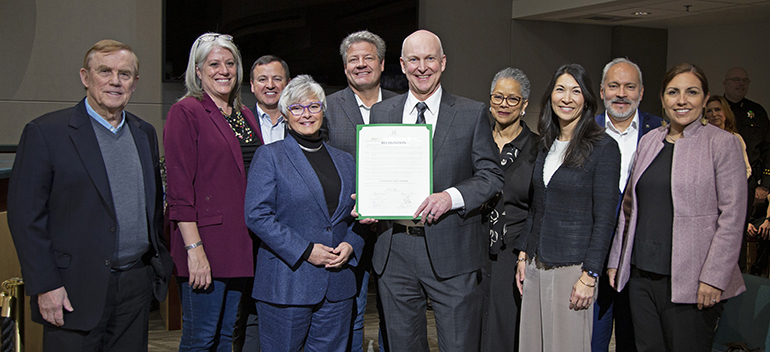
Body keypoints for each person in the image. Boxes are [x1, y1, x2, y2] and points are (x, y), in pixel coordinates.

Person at [7, 39, 172, 351]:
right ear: (85, 77)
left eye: (125, 74)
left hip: (135, 285)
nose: (115, 81)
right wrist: (46, 284)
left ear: (134, 84)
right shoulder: (46, 133)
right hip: (72, 288)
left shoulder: (144, 132)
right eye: (105, 71)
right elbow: (25, 216)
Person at [369, 29, 504, 352]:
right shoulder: (382, 113)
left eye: (430, 58)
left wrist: (450, 197)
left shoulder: (471, 114)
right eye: (414, 59)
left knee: (459, 345)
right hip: (395, 251)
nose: (422, 67)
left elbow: (491, 176)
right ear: (402, 65)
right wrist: (369, 198)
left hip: (453, 250)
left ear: (443, 63)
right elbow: (377, 170)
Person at [608, 63, 747, 351]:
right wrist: (615, 260)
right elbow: (628, 208)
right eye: (673, 92)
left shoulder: (722, 144)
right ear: (662, 99)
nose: (681, 100)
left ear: (706, 98)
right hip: (641, 277)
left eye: (691, 92)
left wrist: (714, 277)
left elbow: (732, 218)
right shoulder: (649, 142)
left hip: (694, 282)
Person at [244, 75, 364, 352]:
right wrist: (306, 250)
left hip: (338, 285)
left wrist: (351, 244)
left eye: (313, 106)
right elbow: (257, 215)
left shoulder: (345, 161)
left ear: (324, 110)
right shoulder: (270, 156)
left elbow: (360, 214)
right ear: (285, 114)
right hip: (287, 284)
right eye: (297, 108)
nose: (306, 114)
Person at [164, 32, 263, 351]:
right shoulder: (186, 112)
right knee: (200, 338)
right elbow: (179, 191)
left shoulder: (244, 115)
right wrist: (195, 251)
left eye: (230, 63)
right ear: (198, 71)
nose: (223, 70)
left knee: (225, 337)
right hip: (205, 246)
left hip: (240, 245)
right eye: (214, 64)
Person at [514, 63, 621, 352]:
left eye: (576, 91)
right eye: (560, 89)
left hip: (573, 269)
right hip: (536, 263)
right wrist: (524, 254)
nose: (566, 98)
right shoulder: (546, 144)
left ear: (586, 98)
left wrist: (590, 275)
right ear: (550, 96)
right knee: (532, 345)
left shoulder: (604, 147)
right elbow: (537, 206)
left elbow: (604, 219)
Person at [321, 29, 397, 352]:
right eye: (354, 60)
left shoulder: (404, 105)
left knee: (394, 314)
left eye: (368, 58)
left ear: (382, 64)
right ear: (344, 67)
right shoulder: (326, 107)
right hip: (346, 229)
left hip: (395, 228)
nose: (361, 64)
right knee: (349, 312)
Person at [592, 58, 663, 352]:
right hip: (593, 258)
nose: (621, 93)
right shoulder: (585, 131)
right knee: (592, 340)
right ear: (601, 91)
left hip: (639, 259)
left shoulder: (661, 133)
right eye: (614, 86)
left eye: (629, 86)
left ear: (642, 92)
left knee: (634, 340)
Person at [480, 67, 536, 352]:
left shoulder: (539, 148)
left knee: (506, 331)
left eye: (512, 99)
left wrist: (525, 251)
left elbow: (541, 208)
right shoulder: (477, 142)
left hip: (514, 254)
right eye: (498, 97)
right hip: (474, 250)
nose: (504, 104)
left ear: (524, 105)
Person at [723, 67, 770, 186]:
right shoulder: (714, 110)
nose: (741, 84)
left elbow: (768, 148)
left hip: (750, 182)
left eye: (745, 81)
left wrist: (765, 185)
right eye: (736, 80)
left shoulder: (757, 111)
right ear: (725, 84)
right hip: (718, 179)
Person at [705, 95, 751, 178]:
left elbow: (746, 169)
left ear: (725, 111)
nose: (714, 114)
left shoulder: (736, 138)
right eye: (709, 111)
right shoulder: (701, 139)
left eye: (717, 109)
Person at [250, 55, 290, 144]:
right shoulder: (242, 121)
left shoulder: (299, 122)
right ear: (252, 85)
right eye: (262, 79)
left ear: (288, 85)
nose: (270, 85)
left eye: (277, 79)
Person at [747, 186, 770, 277]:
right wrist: (745, 223)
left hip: (761, 217)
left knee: (765, 231)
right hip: (741, 218)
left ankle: (758, 268)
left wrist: (768, 220)